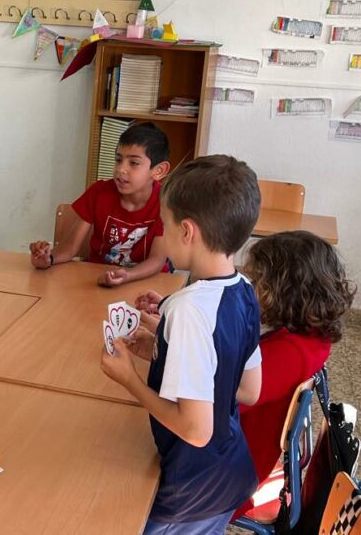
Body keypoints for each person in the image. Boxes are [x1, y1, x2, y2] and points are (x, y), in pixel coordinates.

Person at [100, 155, 264, 534]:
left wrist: (129, 379)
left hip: (189, 490)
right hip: (229, 475)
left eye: (165, 224)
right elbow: (248, 389)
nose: (162, 232)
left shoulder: (187, 309)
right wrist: (164, 346)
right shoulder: (244, 289)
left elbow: (195, 430)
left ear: (187, 231)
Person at [235, 230, 353, 517]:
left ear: (283, 291)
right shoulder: (310, 337)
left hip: (228, 472)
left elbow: (218, 400)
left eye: (257, 281)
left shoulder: (289, 353)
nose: (249, 289)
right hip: (240, 450)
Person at [29, 122, 171, 287]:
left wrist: (127, 275)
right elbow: (69, 248)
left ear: (159, 171)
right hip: (98, 279)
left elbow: (157, 260)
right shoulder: (98, 192)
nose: (121, 169)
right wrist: (49, 258)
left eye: (133, 163)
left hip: (147, 284)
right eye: (118, 160)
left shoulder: (166, 204)